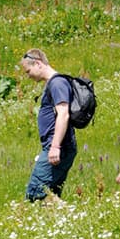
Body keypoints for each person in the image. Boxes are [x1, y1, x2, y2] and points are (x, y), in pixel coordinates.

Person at [21, 48, 78, 201]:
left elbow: (63, 114)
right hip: (56, 146)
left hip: (59, 147)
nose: (28, 76)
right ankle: (64, 220)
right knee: (50, 194)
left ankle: (68, 216)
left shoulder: (57, 83)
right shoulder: (53, 83)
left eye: (28, 71)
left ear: (38, 64)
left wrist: (55, 147)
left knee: (35, 192)